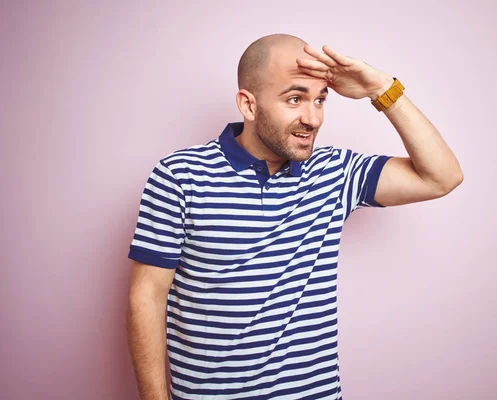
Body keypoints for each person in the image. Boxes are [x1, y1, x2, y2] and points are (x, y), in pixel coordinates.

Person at [126, 33, 463, 400]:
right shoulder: (180, 175)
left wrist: (380, 88)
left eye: (320, 99)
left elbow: (442, 177)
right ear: (248, 105)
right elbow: (148, 296)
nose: (313, 117)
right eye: (295, 98)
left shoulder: (334, 172)